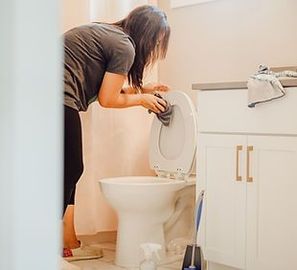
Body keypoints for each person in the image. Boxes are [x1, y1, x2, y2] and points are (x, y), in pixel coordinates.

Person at [62, 5, 171, 260]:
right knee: (71, 168)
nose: (155, 47)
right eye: (157, 40)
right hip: (56, 96)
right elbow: (107, 99)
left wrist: (141, 90)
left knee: (67, 168)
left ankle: (68, 241)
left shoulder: (108, 32)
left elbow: (106, 89)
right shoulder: (125, 47)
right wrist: (143, 100)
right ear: (148, 34)